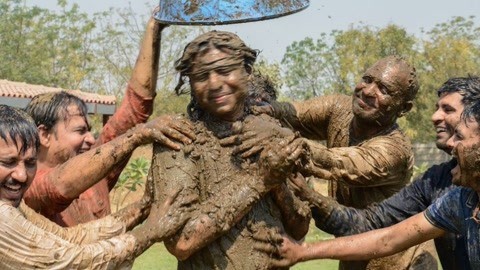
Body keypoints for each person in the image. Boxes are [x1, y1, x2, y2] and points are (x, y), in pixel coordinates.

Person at [224, 55, 430, 269]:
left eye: (384, 90)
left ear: (404, 108)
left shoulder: (394, 151)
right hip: (352, 250)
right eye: (367, 79)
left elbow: (334, 162)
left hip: (401, 261)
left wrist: (273, 135)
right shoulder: (339, 109)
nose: (368, 91)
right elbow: (285, 111)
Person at [268, 76, 480, 270]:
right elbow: (384, 236)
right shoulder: (452, 197)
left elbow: (341, 163)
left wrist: (287, 148)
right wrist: (303, 248)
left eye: (448, 110)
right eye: (367, 79)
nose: (435, 117)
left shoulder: (395, 150)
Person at [150, 30, 311, 269]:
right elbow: (181, 242)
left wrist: (278, 184)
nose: (214, 84)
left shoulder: (275, 133)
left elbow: (300, 227)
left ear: (247, 72)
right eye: (202, 76)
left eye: (225, 71)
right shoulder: (179, 139)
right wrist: (259, 179)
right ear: (191, 84)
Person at [23, 11, 195, 226]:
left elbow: (135, 110)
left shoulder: (96, 175)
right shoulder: (23, 187)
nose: (89, 138)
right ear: (44, 135)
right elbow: (59, 187)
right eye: (79, 131)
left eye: (89, 130)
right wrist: (136, 135)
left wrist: (154, 28)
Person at [0, 104, 194, 269]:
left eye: (30, 162)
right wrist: (149, 232)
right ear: (45, 134)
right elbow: (73, 261)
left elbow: (69, 237)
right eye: (8, 162)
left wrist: (143, 208)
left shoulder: (13, 206)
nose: (22, 175)